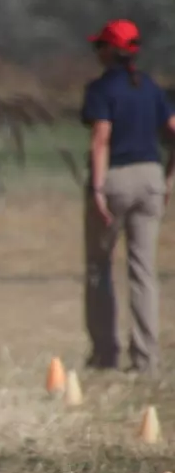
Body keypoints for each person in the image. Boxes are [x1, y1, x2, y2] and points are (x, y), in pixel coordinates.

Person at [82, 19, 175, 376]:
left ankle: (105, 356)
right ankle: (146, 360)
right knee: (143, 272)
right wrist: (168, 177)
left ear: (109, 51)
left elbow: (100, 139)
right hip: (151, 178)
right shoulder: (150, 87)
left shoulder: (101, 89)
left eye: (99, 47)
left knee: (98, 268)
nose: (97, 53)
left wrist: (98, 190)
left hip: (117, 179)